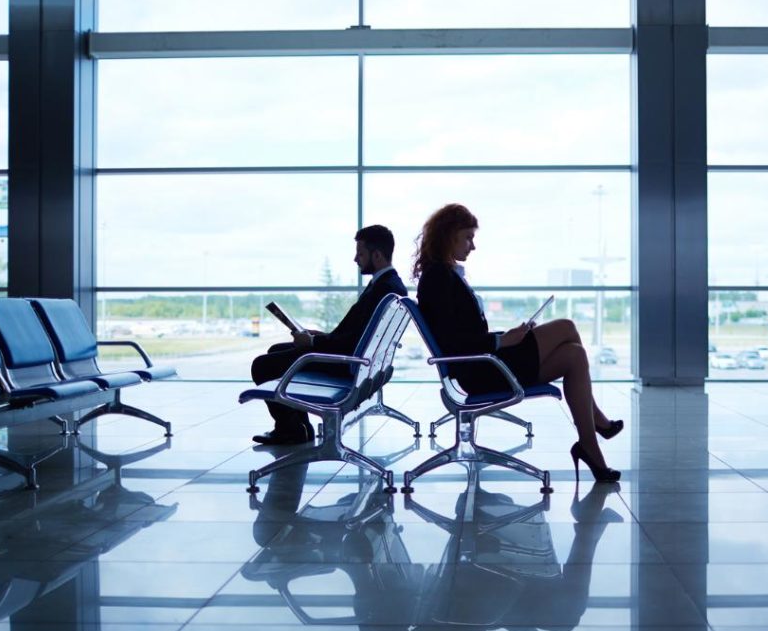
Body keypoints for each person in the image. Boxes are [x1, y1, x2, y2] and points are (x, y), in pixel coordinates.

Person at [413, 203, 621, 482]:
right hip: (480, 370)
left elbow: (463, 332)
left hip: (487, 363)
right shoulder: (437, 277)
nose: (472, 246)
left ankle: (590, 445)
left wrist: (507, 337)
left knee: (574, 355)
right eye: (468, 237)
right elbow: (453, 343)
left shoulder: (444, 274)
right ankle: (598, 423)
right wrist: (501, 342)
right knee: (567, 327)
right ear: (449, 235)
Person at [250, 225, 407, 445]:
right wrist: (319, 336)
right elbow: (358, 334)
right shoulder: (388, 286)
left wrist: (314, 342)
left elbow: (352, 342)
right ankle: (297, 427)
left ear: (377, 255)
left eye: (360, 253)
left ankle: (291, 429)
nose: (355, 259)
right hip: (356, 360)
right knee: (276, 351)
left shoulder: (383, 289)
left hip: (346, 364)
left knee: (262, 365)